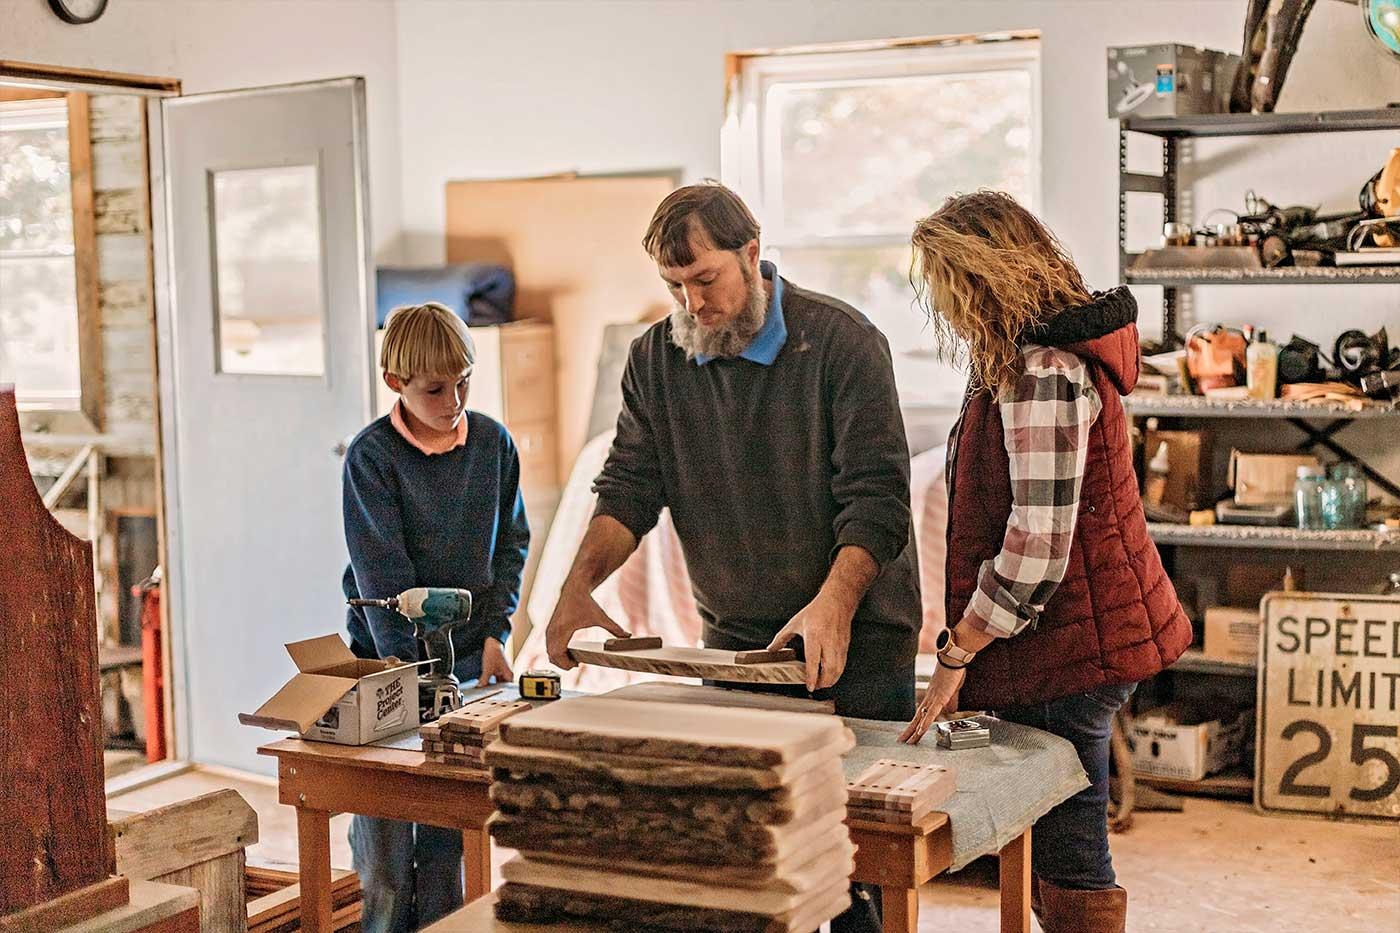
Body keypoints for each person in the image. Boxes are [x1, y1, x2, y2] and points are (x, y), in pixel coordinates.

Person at [544, 181, 919, 932]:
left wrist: (834, 603)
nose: (692, 304)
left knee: (850, 869)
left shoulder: (843, 343)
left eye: (706, 279)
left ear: (751, 253)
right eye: (674, 287)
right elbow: (628, 487)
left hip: (856, 640)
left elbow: (878, 502)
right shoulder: (656, 358)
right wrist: (573, 587)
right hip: (739, 644)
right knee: (747, 865)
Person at [902, 191, 1190, 933]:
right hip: (1069, 641)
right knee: (1057, 842)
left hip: (1071, 649)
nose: (943, 306)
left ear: (981, 279)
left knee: (1069, 855)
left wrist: (956, 650)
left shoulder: (1045, 371)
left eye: (947, 286)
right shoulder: (1027, 356)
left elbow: (1035, 550)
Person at [341, 301, 530, 932]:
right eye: (434, 389)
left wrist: (498, 632)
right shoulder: (371, 460)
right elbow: (382, 579)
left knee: (450, 859)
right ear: (395, 383)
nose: (454, 400)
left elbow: (512, 546)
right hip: (386, 664)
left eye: (465, 382)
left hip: (471, 666)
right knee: (391, 875)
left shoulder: (494, 445)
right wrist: (413, 672)